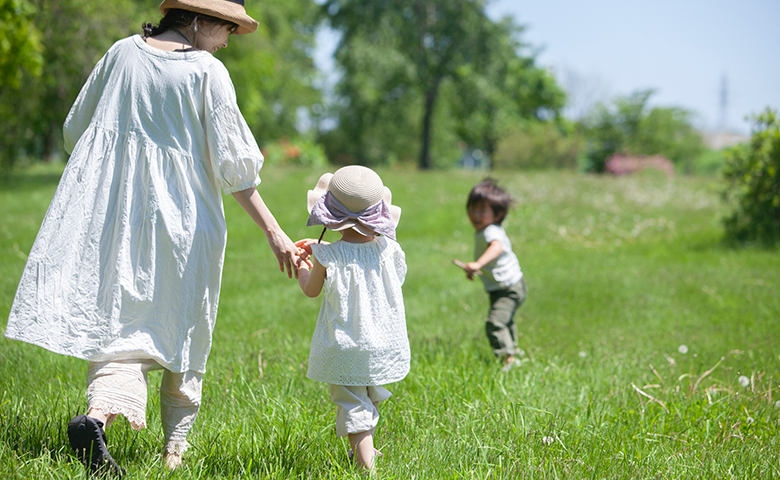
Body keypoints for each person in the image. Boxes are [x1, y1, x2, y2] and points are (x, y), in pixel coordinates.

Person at [4, 0, 302, 475]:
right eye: (228, 29)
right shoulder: (207, 71)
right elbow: (235, 167)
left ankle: (97, 417)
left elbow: (76, 129)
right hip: (185, 222)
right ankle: (173, 454)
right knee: (182, 330)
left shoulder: (122, 52)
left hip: (117, 217)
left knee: (121, 331)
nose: (227, 42)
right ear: (199, 20)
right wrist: (275, 232)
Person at [295, 166, 410, 471]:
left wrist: (304, 264)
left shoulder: (328, 256)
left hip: (346, 343)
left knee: (351, 401)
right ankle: (365, 449)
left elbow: (310, 290)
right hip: (382, 340)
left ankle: (365, 466)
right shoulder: (390, 251)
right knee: (367, 394)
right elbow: (396, 279)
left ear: (329, 215)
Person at [453, 179, 527, 372]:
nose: (475, 215)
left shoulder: (491, 231)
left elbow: (496, 247)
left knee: (495, 323)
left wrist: (477, 263)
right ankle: (514, 354)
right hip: (504, 286)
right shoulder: (484, 230)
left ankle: (507, 359)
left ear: (498, 214)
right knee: (506, 320)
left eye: (482, 211)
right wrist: (475, 270)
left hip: (508, 287)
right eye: (472, 209)